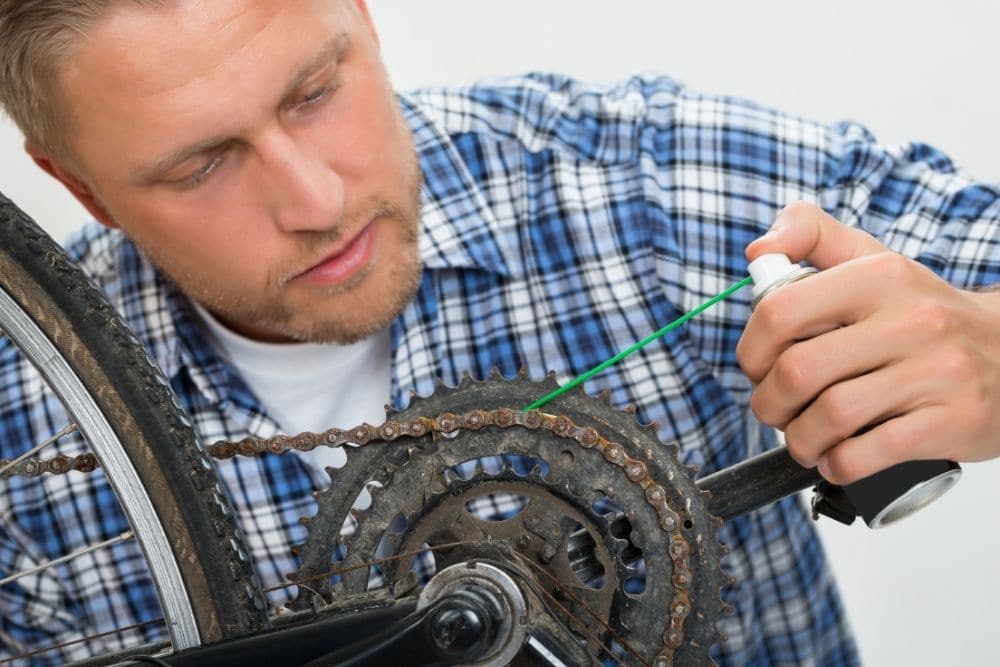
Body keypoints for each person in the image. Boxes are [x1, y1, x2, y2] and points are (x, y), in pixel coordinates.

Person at [1, 1, 999, 665]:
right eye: (201, 164)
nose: (314, 201)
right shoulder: (23, 443)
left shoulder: (634, 182)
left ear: (360, 16)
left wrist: (987, 356)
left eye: (313, 92)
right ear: (80, 188)